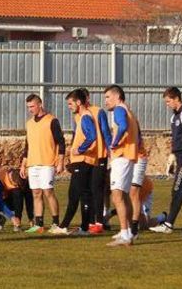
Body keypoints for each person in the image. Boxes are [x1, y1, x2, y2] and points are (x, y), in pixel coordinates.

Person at [150, 87, 182, 236]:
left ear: (176, 99)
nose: (167, 105)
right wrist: (172, 156)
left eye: (168, 101)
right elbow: (177, 140)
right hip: (180, 157)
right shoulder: (174, 117)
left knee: (177, 190)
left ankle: (168, 224)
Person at [20, 94, 68, 235]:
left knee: (48, 192)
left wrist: (60, 161)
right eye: (28, 107)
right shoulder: (29, 123)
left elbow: (61, 142)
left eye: (32, 106)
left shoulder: (52, 120)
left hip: (48, 162)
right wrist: (23, 164)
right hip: (32, 163)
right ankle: (39, 224)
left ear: (40, 104)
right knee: (36, 193)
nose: (30, 109)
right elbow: (27, 145)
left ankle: (55, 223)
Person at [104, 85, 140, 246]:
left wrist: (115, 142)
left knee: (116, 195)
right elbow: (138, 136)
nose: (106, 101)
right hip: (129, 157)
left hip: (122, 157)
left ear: (117, 97)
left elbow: (123, 127)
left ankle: (125, 234)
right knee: (124, 196)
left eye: (107, 97)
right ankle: (130, 232)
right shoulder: (129, 112)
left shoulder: (119, 110)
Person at [59, 89, 97, 235]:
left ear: (79, 102)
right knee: (83, 194)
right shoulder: (82, 116)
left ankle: (64, 226)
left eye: (70, 103)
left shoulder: (85, 117)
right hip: (83, 161)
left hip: (83, 160)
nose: (69, 106)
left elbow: (92, 136)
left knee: (75, 194)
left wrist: (80, 149)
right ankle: (84, 227)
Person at [81, 88, 112, 234]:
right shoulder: (79, 115)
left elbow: (106, 131)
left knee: (97, 189)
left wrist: (111, 151)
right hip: (86, 158)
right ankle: (89, 222)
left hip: (99, 156)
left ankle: (99, 221)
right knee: (87, 191)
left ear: (87, 97)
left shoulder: (98, 111)